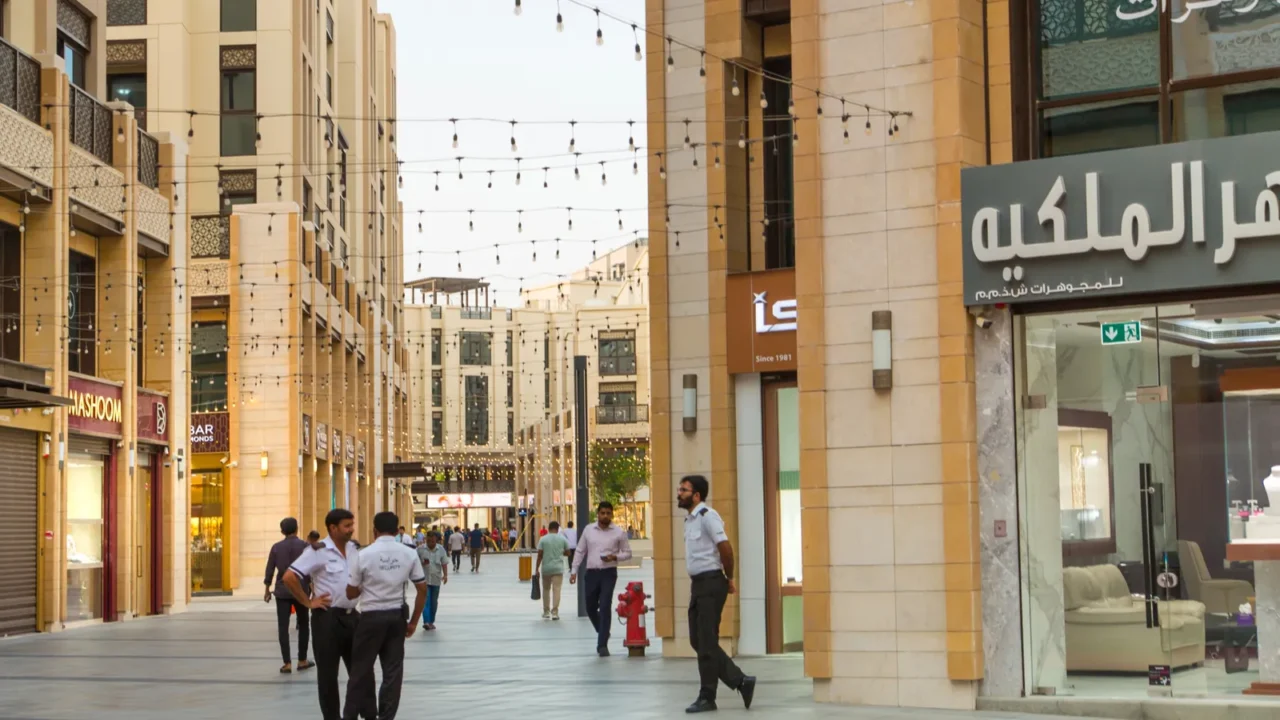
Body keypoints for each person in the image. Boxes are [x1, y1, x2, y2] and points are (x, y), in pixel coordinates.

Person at [282, 509, 374, 720]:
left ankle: (369, 715)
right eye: (347, 526)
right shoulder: (317, 551)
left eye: (352, 525)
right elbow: (289, 577)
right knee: (328, 677)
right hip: (328, 620)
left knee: (362, 673)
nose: (352, 529)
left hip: (353, 618)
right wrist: (308, 602)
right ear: (333, 528)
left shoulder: (353, 549)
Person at [678, 475, 756, 713]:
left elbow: (726, 549)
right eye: (679, 489)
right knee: (699, 641)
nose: (679, 492)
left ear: (697, 495)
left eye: (684, 489)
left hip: (711, 583)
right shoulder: (690, 520)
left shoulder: (707, 517)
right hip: (699, 585)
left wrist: (729, 578)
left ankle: (707, 696)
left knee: (706, 642)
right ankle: (741, 681)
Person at [343, 511, 427, 720]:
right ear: (397, 530)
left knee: (360, 671)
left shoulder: (363, 554)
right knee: (392, 672)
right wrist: (414, 622)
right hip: (396, 618)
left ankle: (351, 715)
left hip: (370, 617)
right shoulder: (409, 553)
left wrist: (362, 587)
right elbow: (422, 588)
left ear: (374, 531)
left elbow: (351, 592)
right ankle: (386, 716)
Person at [570, 501, 632, 657]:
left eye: (608, 513)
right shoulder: (588, 530)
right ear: (597, 514)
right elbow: (579, 551)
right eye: (602, 513)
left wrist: (614, 557)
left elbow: (627, 553)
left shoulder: (618, 532)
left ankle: (602, 644)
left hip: (608, 573)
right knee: (590, 607)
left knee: (605, 606)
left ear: (612, 514)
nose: (605, 516)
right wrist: (574, 571)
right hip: (591, 573)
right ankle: (602, 629)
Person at [264, 517, 313, 674]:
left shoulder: (276, 547)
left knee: (282, 627)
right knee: (304, 625)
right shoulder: (305, 546)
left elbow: (270, 569)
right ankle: (302, 660)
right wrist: (313, 588)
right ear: (297, 529)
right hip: (300, 590)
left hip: (282, 590)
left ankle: (286, 663)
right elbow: (311, 569)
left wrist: (267, 589)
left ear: (282, 531)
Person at [536, 520, 569, 620]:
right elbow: (568, 553)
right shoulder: (562, 539)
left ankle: (546, 612)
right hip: (558, 568)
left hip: (546, 568)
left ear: (549, 528)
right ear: (558, 528)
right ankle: (555, 612)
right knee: (557, 590)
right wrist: (560, 553)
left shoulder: (543, 539)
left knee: (546, 590)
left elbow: (540, 555)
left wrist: (536, 568)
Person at [416, 531, 448, 630]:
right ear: (426, 539)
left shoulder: (441, 549)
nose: (431, 543)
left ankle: (431, 621)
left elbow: (444, 563)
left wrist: (445, 575)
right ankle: (426, 622)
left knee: (434, 602)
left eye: (433, 541)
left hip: (436, 579)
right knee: (425, 601)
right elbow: (414, 563)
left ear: (436, 540)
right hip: (423, 579)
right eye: (429, 541)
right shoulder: (420, 549)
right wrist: (421, 563)